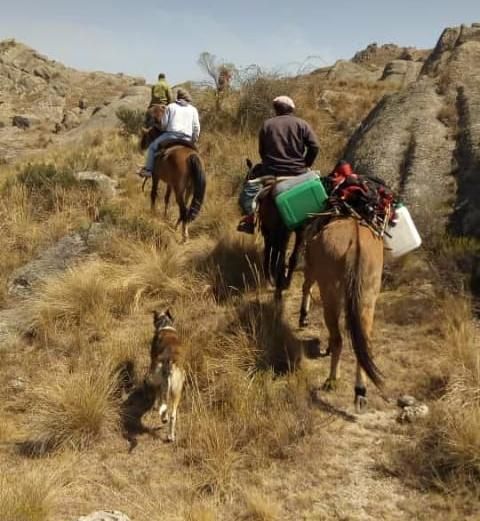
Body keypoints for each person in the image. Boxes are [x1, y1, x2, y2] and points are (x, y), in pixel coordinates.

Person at [237, 95, 320, 233]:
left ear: (276, 109)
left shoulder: (267, 124)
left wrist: (269, 163)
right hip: (298, 172)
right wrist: (305, 164)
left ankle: (251, 219)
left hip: (271, 172)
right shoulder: (302, 124)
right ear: (292, 109)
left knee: (248, 192)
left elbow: (262, 151)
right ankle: (317, 225)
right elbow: (315, 146)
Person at [138, 88, 200, 178]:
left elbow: (164, 124)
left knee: (152, 148)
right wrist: (194, 140)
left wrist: (163, 128)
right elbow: (196, 127)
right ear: (187, 98)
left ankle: (148, 171)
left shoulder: (171, 106)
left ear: (178, 97)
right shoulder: (193, 109)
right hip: (187, 137)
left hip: (171, 135)